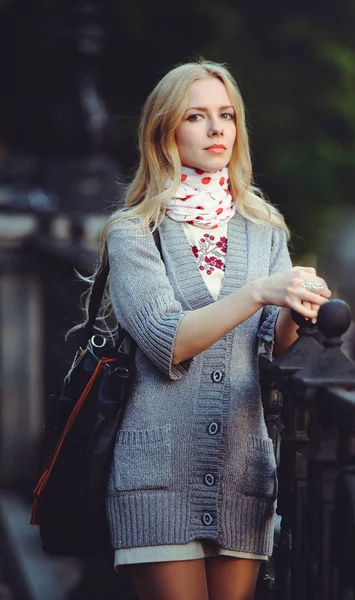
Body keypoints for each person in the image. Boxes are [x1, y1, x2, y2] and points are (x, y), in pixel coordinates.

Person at [92, 60, 330, 600]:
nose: (216, 128)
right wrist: (259, 293)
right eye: (196, 116)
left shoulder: (262, 227)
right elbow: (166, 340)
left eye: (226, 115)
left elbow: (278, 344)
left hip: (243, 471)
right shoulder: (135, 232)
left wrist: (299, 302)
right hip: (157, 474)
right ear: (165, 131)